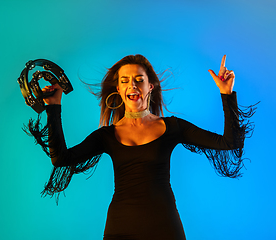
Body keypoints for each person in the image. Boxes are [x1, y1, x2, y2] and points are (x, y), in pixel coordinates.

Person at [27, 54, 255, 240]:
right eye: (125, 80)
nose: (132, 85)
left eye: (139, 79)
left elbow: (229, 142)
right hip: (120, 228)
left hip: (165, 227)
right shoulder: (106, 135)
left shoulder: (172, 127)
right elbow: (61, 159)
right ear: (118, 88)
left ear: (150, 87)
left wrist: (227, 94)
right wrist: (54, 106)